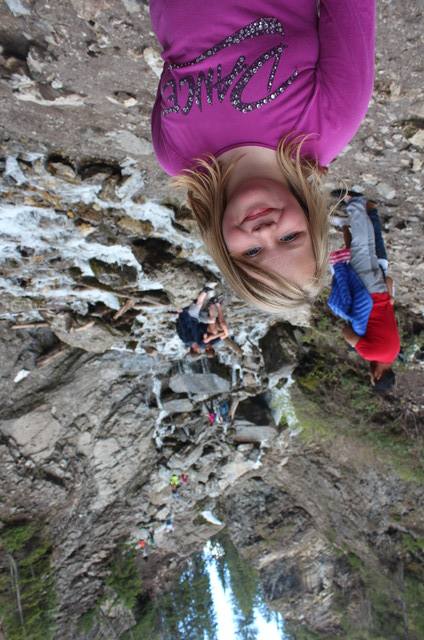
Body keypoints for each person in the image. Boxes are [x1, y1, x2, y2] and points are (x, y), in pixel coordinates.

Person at [150, 0, 376, 312]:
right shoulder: (330, 122)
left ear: (225, 249)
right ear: (310, 221)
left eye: (253, 251)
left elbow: (172, 54)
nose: (266, 231)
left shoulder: (179, 157)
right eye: (289, 238)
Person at [328, 195, 399, 394]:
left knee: (368, 249)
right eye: (372, 379)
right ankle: (355, 203)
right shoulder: (370, 353)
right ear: (377, 375)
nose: (369, 376)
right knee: (360, 248)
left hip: (381, 291)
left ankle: (359, 208)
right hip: (367, 294)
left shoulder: (394, 351)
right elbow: (346, 333)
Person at [176, 287, 229, 355]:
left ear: (195, 350)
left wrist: (181, 313)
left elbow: (182, 326)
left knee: (199, 304)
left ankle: (206, 289)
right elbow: (202, 331)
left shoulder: (186, 339)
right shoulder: (198, 342)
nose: (201, 349)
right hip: (198, 320)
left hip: (190, 317)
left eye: (199, 350)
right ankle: (212, 301)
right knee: (212, 320)